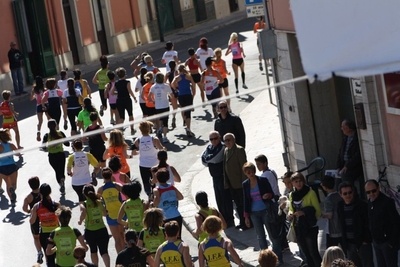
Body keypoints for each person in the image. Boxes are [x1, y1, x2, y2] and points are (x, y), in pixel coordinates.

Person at [242, 162, 283, 264]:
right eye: (248, 172)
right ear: (245, 174)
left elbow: (272, 194)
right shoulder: (245, 184)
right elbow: (245, 200)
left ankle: (278, 259)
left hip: (266, 211)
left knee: (272, 235)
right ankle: (265, 261)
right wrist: (246, 216)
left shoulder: (262, 180)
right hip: (254, 213)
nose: (250, 173)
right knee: (260, 236)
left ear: (254, 171)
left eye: (251, 171)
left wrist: (268, 195)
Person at [287, 172, 322, 267]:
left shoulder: (310, 193)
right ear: (292, 183)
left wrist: (304, 213)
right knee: (306, 253)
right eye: (296, 182)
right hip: (298, 227)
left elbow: (318, 211)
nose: (299, 184)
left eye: (300, 181)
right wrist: (290, 213)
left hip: (309, 226)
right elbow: (291, 208)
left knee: (313, 252)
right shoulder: (291, 195)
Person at [201, 131, 234, 227]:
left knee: (226, 199)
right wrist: (209, 160)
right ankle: (223, 220)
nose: (213, 141)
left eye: (215, 138)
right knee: (219, 199)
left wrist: (209, 160)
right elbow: (203, 160)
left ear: (219, 138)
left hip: (222, 176)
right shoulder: (209, 147)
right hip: (214, 177)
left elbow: (215, 158)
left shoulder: (222, 147)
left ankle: (229, 220)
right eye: (211, 139)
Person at [365, 179, 400, 266]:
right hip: (377, 242)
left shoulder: (387, 202)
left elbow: (396, 222)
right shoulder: (370, 202)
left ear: (378, 188)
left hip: (387, 243)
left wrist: (391, 242)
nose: (371, 194)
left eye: (373, 191)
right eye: (368, 192)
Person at [337, 182, 373, 267]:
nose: (348, 195)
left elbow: (368, 223)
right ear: (341, 195)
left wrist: (366, 240)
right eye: (345, 193)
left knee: (367, 264)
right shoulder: (340, 206)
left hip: (362, 243)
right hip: (349, 244)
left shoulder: (362, 205)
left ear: (353, 192)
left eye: (350, 192)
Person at [78, 184, 110, 267]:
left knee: (93, 251)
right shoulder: (99, 202)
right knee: (104, 251)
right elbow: (104, 214)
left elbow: (83, 212)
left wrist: (80, 221)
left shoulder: (84, 204)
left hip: (90, 231)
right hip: (102, 229)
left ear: (84, 194)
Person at [29, 183, 60, 266]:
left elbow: (32, 221)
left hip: (44, 234)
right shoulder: (56, 204)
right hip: (57, 232)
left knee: (48, 256)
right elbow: (62, 219)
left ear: (40, 193)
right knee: (60, 254)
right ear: (50, 192)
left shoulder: (37, 206)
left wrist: (32, 212)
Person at [133, 121, 165, 196]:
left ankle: (149, 194)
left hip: (143, 164)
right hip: (154, 164)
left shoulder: (138, 140)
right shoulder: (154, 139)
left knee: (145, 181)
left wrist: (140, 152)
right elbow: (161, 149)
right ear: (149, 128)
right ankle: (155, 194)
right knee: (155, 180)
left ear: (140, 129)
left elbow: (134, 152)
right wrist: (164, 148)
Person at [223, 133, 247, 230]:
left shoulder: (239, 150)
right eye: (225, 140)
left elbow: (243, 167)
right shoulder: (226, 150)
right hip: (232, 183)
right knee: (238, 205)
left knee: (243, 203)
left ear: (234, 140)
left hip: (240, 183)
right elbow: (224, 167)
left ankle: (247, 222)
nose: (227, 142)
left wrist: (244, 183)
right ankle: (242, 221)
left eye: (229, 140)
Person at [97, 167, 125, 253]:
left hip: (110, 215)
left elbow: (98, 202)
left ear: (102, 176)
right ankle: (125, 255)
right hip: (121, 214)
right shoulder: (117, 186)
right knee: (122, 236)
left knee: (116, 239)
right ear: (111, 175)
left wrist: (104, 211)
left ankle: (120, 258)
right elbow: (126, 196)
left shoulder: (100, 189)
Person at [152, 168, 184, 237]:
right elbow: (181, 197)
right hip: (176, 216)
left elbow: (156, 202)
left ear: (157, 178)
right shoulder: (172, 187)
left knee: (166, 239)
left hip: (164, 218)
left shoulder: (157, 189)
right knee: (177, 238)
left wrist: (152, 204)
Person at [42, 119, 70, 194]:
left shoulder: (46, 135)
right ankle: (62, 181)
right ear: (56, 125)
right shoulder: (60, 133)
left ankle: (61, 184)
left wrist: (49, 146)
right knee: (61, 170)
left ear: (48, 126)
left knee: (57, 171)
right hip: (61, 155)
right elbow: (67, 144)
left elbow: (43, 147)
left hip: (52, 156)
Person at [22, 176, 43, 264]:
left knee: (36, 237)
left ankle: (39, 252)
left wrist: (29, 211)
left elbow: (24, 208)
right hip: (43, 217)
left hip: (34, 219)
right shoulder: (42, 193)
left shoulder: (28, 197)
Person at [336, 119, 363, 188]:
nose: (341, 129)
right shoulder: (345, 138)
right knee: (336, 177)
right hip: (344, 165)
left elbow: (358, 155)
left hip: (354, 166)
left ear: (348, 128)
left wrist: (347, 166)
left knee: (345, 176)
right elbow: (340, 153)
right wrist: (338, 167)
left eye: (343, 127)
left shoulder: (357, 138)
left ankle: (351, 195)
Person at [171, 64, 196, 137]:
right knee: (188, 112)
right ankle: (188, 128)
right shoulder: (188, 76)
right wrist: (193, 94)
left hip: (181, 95)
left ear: (178, 70)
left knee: (183, 109)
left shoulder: (177, 77)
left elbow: (172, 84)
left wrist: (176, 89)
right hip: (188, 94)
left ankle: (184, 121)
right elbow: (194, 85)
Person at [149, 72, 173, 143]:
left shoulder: (153, 86)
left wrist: (153, 101)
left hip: (158, 106)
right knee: (165, 121)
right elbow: (171, 95)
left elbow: (149, 97)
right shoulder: (166, 86)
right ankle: (165, 137)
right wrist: (171, 99)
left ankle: (159, 129)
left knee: (159, 119)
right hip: (165, 105)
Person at [113, 67, 137, 135]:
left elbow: (112, 92)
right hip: (127, 99)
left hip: (119, 100)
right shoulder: (127, 82)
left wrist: (118, 93)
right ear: (125, 74)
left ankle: (117, 131)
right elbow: (130, 91)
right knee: (130, 114)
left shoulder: (116, 83)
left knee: (121, 117)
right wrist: (134, 97)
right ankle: (132, 129)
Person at [0, 128, 21, 206]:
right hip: (12, 166)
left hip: (2, 168)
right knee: (13, 184)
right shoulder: (11, 145)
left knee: (7, 184)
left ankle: (12, 201)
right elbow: (18, 154)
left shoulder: (0, 147)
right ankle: (13, 191)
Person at [321, 175, 342, 248]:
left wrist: (322, 215)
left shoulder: (328, 199)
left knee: (331, 251)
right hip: (342, 226)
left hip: (333, 229)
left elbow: (329, 215)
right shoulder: (339, 195)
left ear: (324, 187)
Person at [30, 76, 49, 141]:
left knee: (40, 121)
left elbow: (31, 98)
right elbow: (47, 97)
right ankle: (52, 130)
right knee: (49, 118)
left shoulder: (34, 89)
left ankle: (38, 131)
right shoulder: (44, 89)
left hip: (38, 105)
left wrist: (35, 96)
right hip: (45, 104)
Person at [164, 61, 178, 128]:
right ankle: (185, 120)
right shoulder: (176, 72)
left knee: (174, 107)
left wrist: (168, 84)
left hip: (171, 90)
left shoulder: (167, 74)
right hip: (177, 89)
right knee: (182, 106)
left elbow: (164, 82)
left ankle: (174, 118)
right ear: (175, 65)